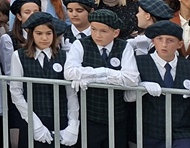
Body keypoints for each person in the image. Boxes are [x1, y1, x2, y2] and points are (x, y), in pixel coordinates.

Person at [124, 20, 190, 148]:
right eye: (159, 39)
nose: (164, 44)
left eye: (170, 40)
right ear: (153, 41)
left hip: (182, 131)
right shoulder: (138, 62)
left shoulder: (189, 66)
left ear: (179, 44)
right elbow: (127, 97)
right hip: (148, 131)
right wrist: (141, 88)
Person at [62, 9, 139, 148]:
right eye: (94, 29)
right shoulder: (80, 44)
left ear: (115, 33)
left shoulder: (124, 46)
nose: (97, 35)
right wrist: (102, 74)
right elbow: (69, 72)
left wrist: (102, 73)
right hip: (89, 116)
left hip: (118, 117)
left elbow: (131, 78)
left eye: (103, 31)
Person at [8, 12, 79, 147]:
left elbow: (71, 92)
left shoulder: (65, 56)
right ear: (31, 35)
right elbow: (16, 92)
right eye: (39, 33)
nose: (44, 38)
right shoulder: (19, 56)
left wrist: (73, 123)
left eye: (48, 33)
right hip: (32, 118)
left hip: (60, 118)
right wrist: (35, 124)